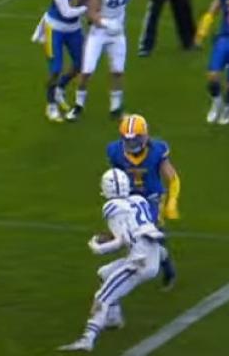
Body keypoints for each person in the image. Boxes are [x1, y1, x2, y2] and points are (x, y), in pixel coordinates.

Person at [57, 168, 165, 352]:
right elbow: (138, 229)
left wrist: (98, 248)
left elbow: (122, 241)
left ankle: (87, 340)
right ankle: (114, 318)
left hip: (139, 263)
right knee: (104, 273)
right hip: (151, 255)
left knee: (102, 297)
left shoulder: (111, 207)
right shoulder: (139, 200)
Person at [107, 114, 180, 289]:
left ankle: (167, 269)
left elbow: (173, 178)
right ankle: (161, 265)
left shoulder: (157, 151)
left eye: (135, 139)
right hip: (129, 198)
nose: (132, 144)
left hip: (152, 197)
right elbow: (116, 176)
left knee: (149, 234)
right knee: (134, 237)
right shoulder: (115, 151)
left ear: (145, 136)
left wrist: (172, 202)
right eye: (128, 140)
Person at [66, 0, 139, 121]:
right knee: (87, 71)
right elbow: (91, 12)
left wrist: (115, 25)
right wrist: (106, 23)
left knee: (118, 71)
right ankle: (78, 105)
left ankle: (116, 108)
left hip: (117, 32)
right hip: (99, 32)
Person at [33, 0, 95, 122]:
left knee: (81, 64)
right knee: (55, 68)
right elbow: (66, 12)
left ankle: (60, 88)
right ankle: (51, 104)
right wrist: (89, 8)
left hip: (74, 27)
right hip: (55, 27)